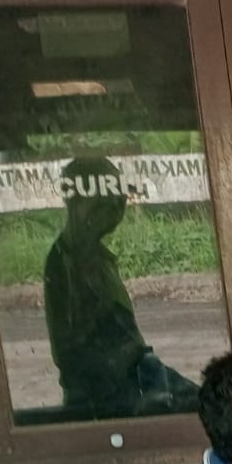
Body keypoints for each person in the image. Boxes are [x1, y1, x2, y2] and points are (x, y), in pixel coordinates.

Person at [43, 155, 199, 419]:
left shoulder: (96, 258)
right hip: (104, 397)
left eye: (121, 199)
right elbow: (72, 353)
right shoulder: (66, 264)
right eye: (106, 201)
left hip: (132, 378)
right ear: (76, 203)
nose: (117, 209)